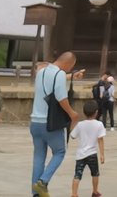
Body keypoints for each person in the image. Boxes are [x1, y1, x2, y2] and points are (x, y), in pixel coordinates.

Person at [30, 52, 81, 197]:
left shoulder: (41, 72)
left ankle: (36, 193)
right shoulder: (59, 74)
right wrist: (72, 113)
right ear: (69, 64)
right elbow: (61, 97)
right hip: (50, 123)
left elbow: (53, 81)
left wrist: (72, 77)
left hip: (35, 122)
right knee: (59, 152)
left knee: (39, 157)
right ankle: (43, 182)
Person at [69, 98, 106, 197]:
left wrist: (73, 124)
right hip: (92, 154)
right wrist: (102, 154)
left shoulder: (80, 125)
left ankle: (74, 194)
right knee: (95, 173)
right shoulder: (99, 124)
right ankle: (95, 191)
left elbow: (72, 136)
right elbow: (100, 140)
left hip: (80, 154)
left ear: (84, 112)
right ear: (96, 112)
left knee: (77, 175)